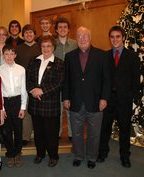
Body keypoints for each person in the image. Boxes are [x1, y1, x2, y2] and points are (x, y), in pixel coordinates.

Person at [62, 26, 110, 169]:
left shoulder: (102, 55)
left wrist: (104, 98)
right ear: (76, 39)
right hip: (76, 101)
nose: (82, 39)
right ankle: (78, 155)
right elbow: (67, 80)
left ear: (90, 37)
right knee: (76, 132)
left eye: (85, 36)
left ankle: (92, 157)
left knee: (94, 133)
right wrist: (66, 98)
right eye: (79, 36)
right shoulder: (69, 56)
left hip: (96, 102)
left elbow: (107, 79)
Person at [97, 25, 140, 168]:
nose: (115, 39)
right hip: (108, 99)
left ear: (123, 38)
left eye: (118, 36)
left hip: (124, 100)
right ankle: (102, 153)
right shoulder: (105, 56)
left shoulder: (132, 56)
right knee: (105, 128)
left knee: (124, 129)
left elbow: (135, 79)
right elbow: (101, 79)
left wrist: (131, 96)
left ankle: (125, 156)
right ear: (109, 39)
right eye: (112, 37)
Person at [27, 35, 64, 167]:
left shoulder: (59, 63)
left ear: (53, 47)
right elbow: (28, 79)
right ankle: (40, 154)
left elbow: (59, 83)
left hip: (50, 105)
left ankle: (53, 156)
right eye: (43, 46)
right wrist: (33, 90)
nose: (46, 48)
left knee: (51, 133)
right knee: (38, 133)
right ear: (40, 47)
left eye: (48, 46)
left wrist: (41, 90)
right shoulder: (33, 61)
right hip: (35, 104)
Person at [0, 45, 27, 168]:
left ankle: (18, 152)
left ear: (15, 55)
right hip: (5, 102)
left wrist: (23, 107)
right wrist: (1, 109)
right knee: (6, 130)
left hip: (17, 101)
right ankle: (10, 153)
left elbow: (23, 89)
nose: (9, 56)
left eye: (11, 54)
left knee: (18, 129)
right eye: (6, 54)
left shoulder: (21, 69)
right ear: (3, 55)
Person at [16, 24, 41, 146]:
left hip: (38, 84)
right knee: (25, 109)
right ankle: (26, 136)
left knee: (37, 110)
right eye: (26, 33)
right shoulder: (18, 48)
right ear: (23, 35)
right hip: (23, 83)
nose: (29, 34)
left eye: (31, 32)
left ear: (35, 34)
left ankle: (39, 135)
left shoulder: (40, 47)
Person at [54, 17, 77, 140]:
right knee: (57, 110)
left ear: (68, 29)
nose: (62, 29)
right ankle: (56, 134)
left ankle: (71, 135)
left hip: (71, 82)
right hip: (56, 83)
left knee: (70, 110)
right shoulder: (52, 43)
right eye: (60, 27)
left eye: (65, 27)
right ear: (56, 30)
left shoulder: (75, 43)